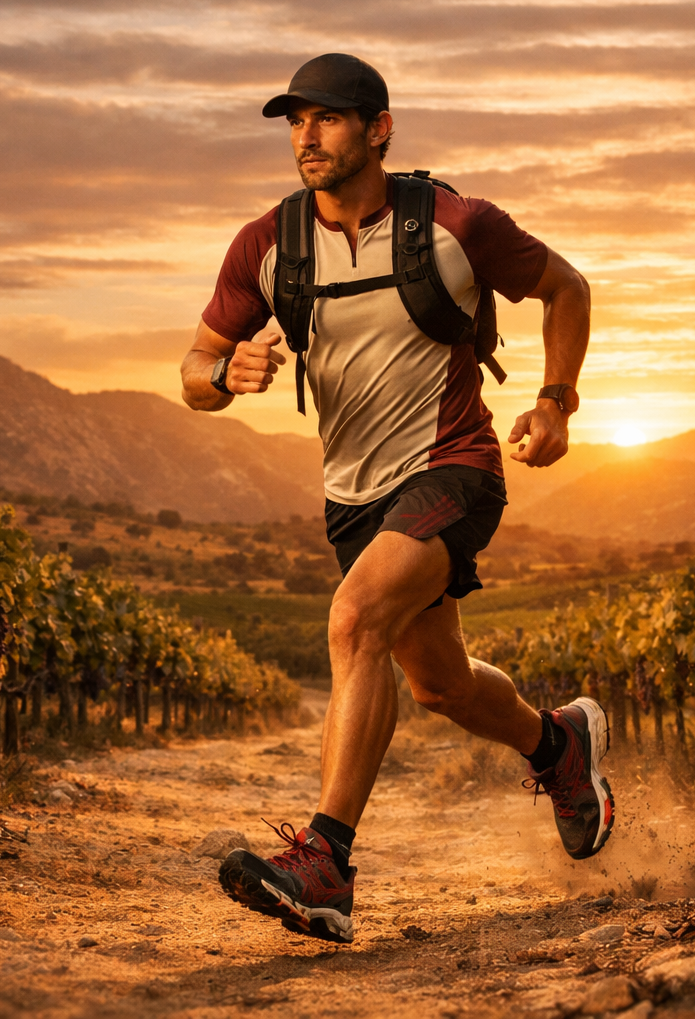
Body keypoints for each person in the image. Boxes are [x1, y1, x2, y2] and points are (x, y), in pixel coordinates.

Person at [178, 53, 609, 945]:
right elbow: (193, 370)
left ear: (378, 129)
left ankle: (326, 861)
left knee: (353, 618)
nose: (306, 134)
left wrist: (556, 400)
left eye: (327, 118)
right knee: (439, 683)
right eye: (295, 120)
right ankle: (557, 747)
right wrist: (228, 370)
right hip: (353, 496)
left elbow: (567, 288)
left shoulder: (456, 224)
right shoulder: (267, 244)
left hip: (453, 466)